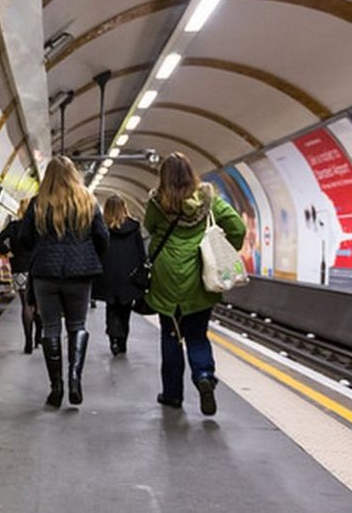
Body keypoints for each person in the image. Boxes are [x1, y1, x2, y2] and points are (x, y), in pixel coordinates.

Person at [144, 152, 246, 416]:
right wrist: (224, 248)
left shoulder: (157, 202)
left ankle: (172, 395)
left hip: (166, 278)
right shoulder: (209, 201)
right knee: (197, 335)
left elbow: (149, 226)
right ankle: (203, 375)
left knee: (171, 337)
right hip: (199, 277)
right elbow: (237, 227)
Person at [18, 156, 109, 407]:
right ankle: (74, 380)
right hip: (79, 275)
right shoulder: (88, 202)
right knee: (77, 324)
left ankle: (55, 387)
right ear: (73, 175)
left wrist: (40, 244)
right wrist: (88, 255)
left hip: (45, 273)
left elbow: (24, 239)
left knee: (50, 327)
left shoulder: (38, 203)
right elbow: (102, 237)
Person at [92, 195, 146, 356]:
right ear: (124, 207)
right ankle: (122, 342)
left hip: (108, 274)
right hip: (129, 275)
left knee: (111, 308)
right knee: (125, 310)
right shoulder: (134, 227)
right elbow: (141, 252)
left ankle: (113, 338)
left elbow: (97, 250)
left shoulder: (101, 227)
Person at [0, 198, 41, 354]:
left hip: (19, 268)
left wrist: (8, 252)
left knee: (26, 305)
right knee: (38, 304)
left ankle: (28, 342)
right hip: (37, 268)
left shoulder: (14, 226)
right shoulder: (38, 226)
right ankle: (38, 336)